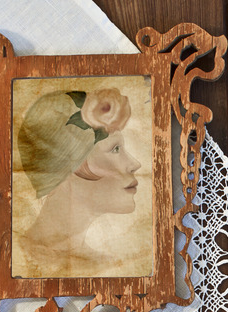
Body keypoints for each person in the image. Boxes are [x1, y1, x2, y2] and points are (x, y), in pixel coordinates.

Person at [13, 88, 142, 278]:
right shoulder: (17, 261)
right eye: (115, 149)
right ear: (68, 164)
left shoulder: (109, 267)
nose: (135, 164)